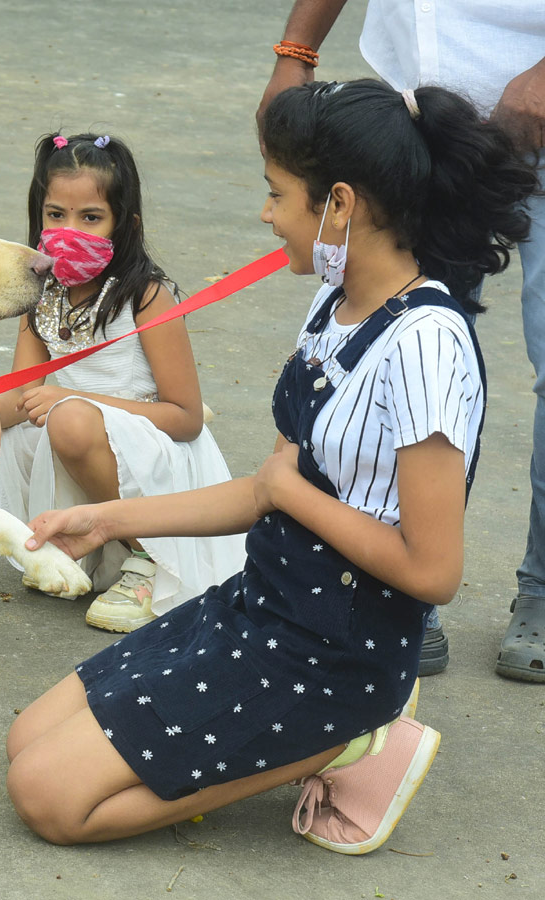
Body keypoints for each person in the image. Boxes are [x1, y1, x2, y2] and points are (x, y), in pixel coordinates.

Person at [4, 80, 537, 852]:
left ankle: (357, 740)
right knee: (27, 740)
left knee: (49, 800)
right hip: (264, 604)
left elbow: (434, 571)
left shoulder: (426, 343)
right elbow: (262, 494)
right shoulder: (334, 302)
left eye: (277, 193)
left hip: (335, 651)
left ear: (340, 206)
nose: (265, 213)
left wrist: (290, 490)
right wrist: (106, 519)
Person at [257, 1, 545, 681]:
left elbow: (272, 481)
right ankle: (384, 585)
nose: (266, 214)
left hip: (533, 92)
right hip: (420, 116)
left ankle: (538, 588)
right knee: (389, 343)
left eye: (275, 196)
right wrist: (295, 49)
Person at [0, 132, 245, 633]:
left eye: (91, 218)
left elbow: (186, 419)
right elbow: (23, 390)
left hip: (153, 460)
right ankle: (62, 538)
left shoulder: (147, 297)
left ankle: (148, 559)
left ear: (126, 225)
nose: (69, 231)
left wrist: (73, 399)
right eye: (56, 215)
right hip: (73, 438)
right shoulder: (42, 292)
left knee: (71, 419)